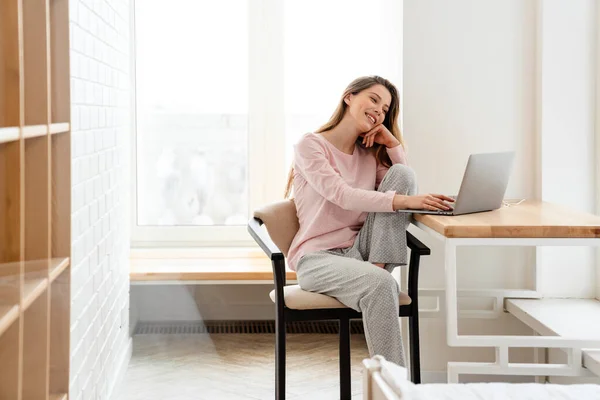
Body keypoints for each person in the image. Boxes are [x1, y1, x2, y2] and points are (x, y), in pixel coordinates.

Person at [284, 76, 454, 366]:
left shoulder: (369, 155)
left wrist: (393, 145)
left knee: (403, 175)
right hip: (318, 260)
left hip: (361, 251)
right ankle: (393, 388)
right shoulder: (310, 145)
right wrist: (404, 201)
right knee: (381, 284)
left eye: (385, 108)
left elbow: (402, 183)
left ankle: (377, 267)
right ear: (349, 97)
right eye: (374, 100)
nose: (379, 110)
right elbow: (341, 194)